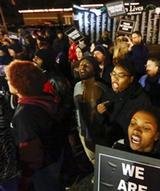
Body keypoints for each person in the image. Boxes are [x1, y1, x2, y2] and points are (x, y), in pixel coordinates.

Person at [5, 60, 66, 191]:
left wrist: (25, 179)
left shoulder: (25, 113)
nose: (7, 81)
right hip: (53, 158)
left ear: (20, 82)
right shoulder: (43, 98)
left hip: (41, 169)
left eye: (10, 79)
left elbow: (31, 151)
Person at [96, 58, 151, 145]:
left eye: (121, 75)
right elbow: (100, 124)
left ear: (131, 79)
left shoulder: (141, 99)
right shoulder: (107, 94)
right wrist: (99, 113)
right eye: (113, 74)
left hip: (126, 147)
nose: (115, 78)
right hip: (106, 144)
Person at [74, 56, 109, 164]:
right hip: (83, 131)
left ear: (94, 69)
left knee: (103, 161)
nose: (82, 68)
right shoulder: (77, 86)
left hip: (99, 135)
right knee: (93, 159)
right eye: (80, 65)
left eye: (86, 65)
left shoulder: (102, 87)